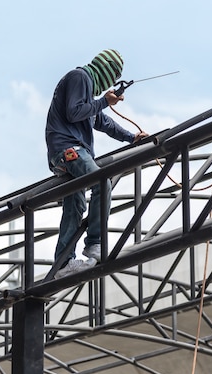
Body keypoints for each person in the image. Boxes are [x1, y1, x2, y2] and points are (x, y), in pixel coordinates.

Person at [45, 49, 147, 279]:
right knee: (102, 182)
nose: (111, 83)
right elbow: (74, 113)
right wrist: (103, 101)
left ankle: (63, 261)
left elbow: (103, 122)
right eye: (112, 77)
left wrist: (132, 137)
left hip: (68, 152)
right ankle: (95, 242)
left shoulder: (88, 93)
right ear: (107, 70)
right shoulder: (79, 77)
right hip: (69, 148)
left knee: (76, 205)